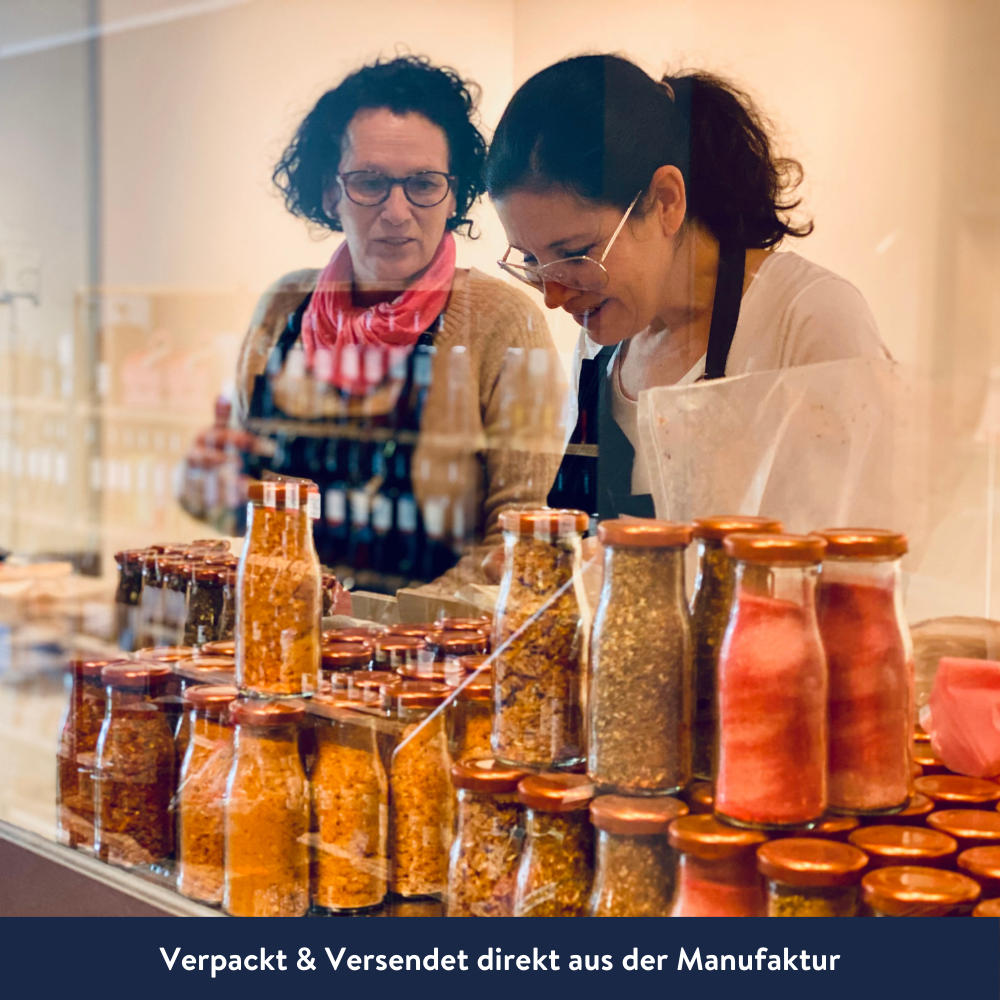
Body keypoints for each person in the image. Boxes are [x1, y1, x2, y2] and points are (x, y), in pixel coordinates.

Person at [184, 56, 564, 593]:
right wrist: (207, 489)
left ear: (454, 195)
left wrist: (378, 622)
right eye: (369, 182)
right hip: (285, 629)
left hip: (431, 641)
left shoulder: (504, 322)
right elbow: (246, 506)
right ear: (330, 191)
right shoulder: (282, 309)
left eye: (423, 184)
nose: (397, 211)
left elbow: (515, 540)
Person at [484, 54, 889, 522]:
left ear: (666, 201)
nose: (554, 297)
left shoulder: (806, 318)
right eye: (532, 261)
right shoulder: (603, 348)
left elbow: (862, 545)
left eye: (575, 253)